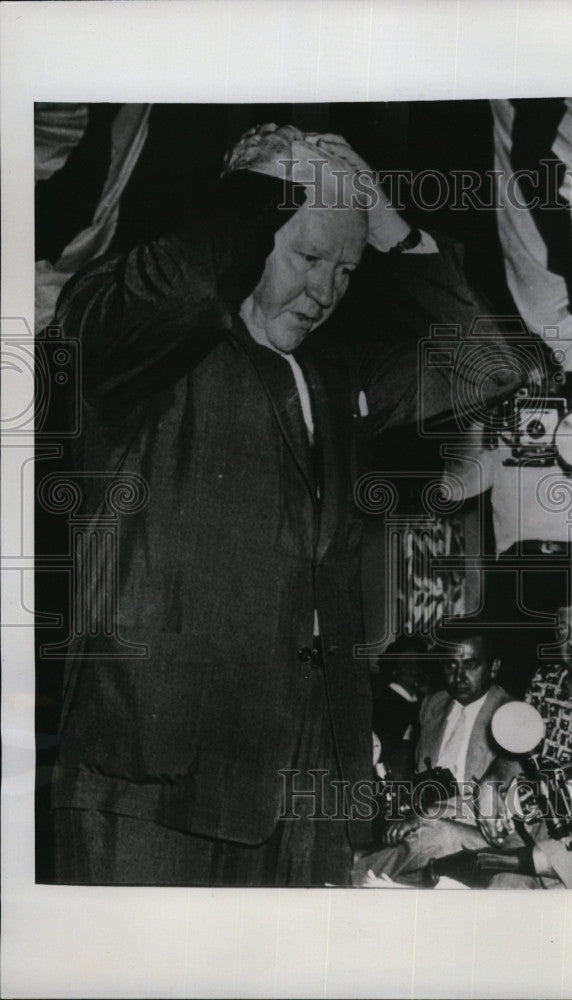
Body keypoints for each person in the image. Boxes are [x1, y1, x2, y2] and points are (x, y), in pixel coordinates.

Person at [49, 124, 526, 886]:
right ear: (247, 232)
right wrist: (267, 185)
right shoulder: (135, 347)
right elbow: (182, 286)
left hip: (309, 786)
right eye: (308, 258)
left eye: (346, 268)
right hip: (152, 783)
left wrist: (389, 225)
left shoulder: (339, 377)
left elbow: (493, 363)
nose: (327, 292)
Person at [472, 594, 572, 889]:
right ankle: (522, 862)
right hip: (542, 826)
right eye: (562, 631)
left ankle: (525, 860)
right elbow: (515, 757)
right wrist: (490, 782)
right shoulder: (545, 683)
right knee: (505, 888)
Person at [353, 621, 512, 884]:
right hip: (423, 825)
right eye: (451, 665)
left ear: (493, 667)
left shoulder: (512, 715)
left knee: (433, 836)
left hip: (479, 831)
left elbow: (499, 805)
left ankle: (357, 873)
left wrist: (425, 816)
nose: (459, 676)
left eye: (471, 665)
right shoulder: (432, 705)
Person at [372, 635, 430, 780]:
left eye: (419, 662)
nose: (414, 669)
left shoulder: (423, 703)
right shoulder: (387, 704)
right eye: (407, 663)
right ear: (394, 668)